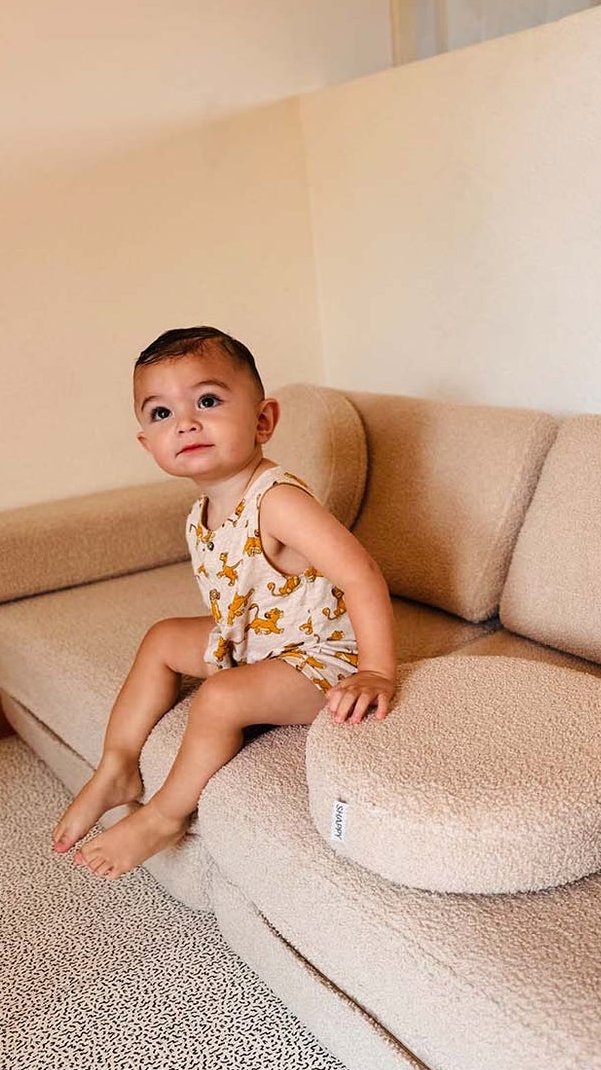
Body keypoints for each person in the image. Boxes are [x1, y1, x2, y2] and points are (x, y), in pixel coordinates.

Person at [57, 327, 400, 878]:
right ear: (148, 444)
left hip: (322, 657)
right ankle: (117, 765)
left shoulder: (278, 502)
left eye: (208, 401)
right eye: (162, 413)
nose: (185, 423)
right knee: (162, 638)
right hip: (257, 641)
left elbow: (362, 575)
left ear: (263, 421)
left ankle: (164, 816)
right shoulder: (202, 511)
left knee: (219, 699)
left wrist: (376, 671)